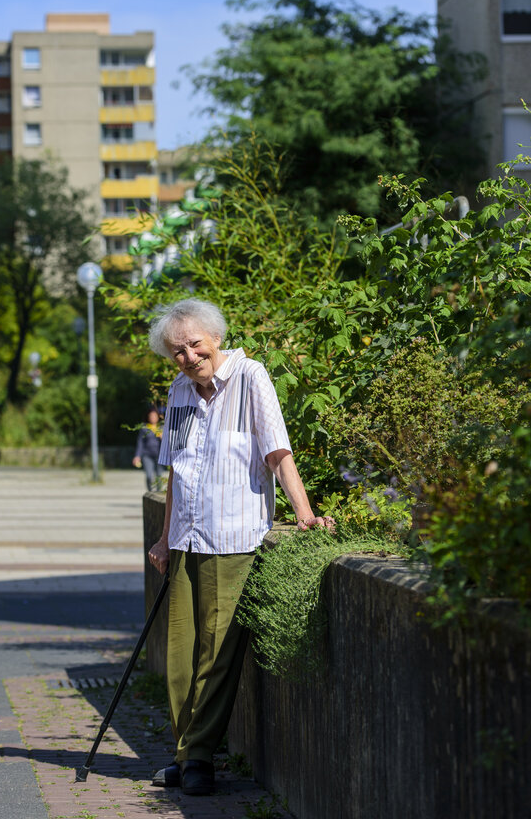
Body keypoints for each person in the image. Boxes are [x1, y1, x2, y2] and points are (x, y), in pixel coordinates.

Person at [146, 298, 334, 797]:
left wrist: (304, 512)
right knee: (182, 656)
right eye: (177, 350)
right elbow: (175, 473)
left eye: (194, 344)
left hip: (234, 539)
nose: (187, 356)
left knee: (218, 653)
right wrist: (165, 539)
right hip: (186, 540)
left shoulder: (251, 377)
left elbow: (276, 451)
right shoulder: (180, 392)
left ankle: (199, 758)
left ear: (215, 337)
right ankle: (187, 755)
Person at [132, 405, 165, 491]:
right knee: (149, 475)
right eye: (151, 416)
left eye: (154, 416)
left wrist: (163, 438)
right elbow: (140, 443)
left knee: (159, 475)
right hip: (147, 455)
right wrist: (137, 456)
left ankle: (158, 492)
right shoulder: (144, 428)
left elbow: (168, 444)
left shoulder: (162, 428)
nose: (153, 418)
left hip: (159, 455)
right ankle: (150, 492)